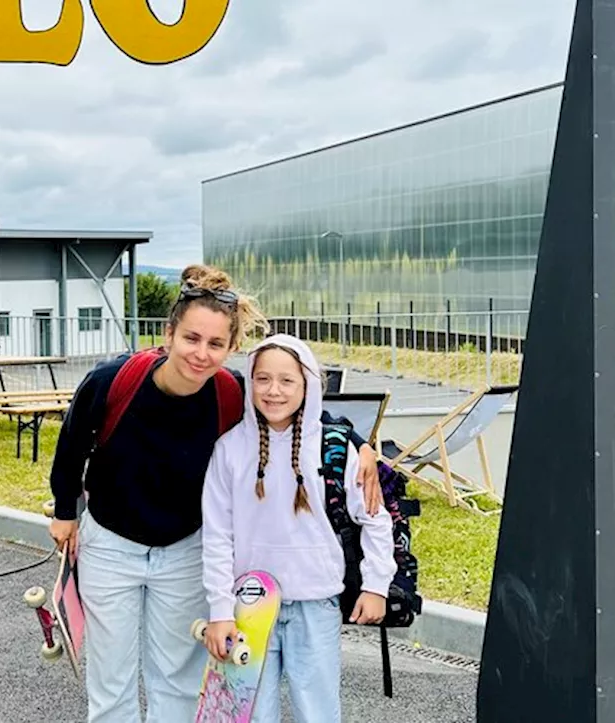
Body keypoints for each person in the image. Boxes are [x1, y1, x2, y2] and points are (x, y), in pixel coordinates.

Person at [47, 265, 382, 722]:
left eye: (215, 344)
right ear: (168, 334)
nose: (201, 354)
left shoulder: (231, 394)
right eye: (191, 338)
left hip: (186, 549)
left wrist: (359, 443)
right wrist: (64, 511)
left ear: (232, 348)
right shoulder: (113, 382)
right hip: (111, 544)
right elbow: (71, 445)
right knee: (111, 684)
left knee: (178, 683)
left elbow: (293, 411)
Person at [200, 334, 396, 723]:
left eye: (287, 381)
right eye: (263, 379)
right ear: (250, 382)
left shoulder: (335, 449)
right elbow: (217, 536)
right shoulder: (229, 449)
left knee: (317, 712)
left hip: (315, 603)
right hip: (248, 608)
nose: (274, 391)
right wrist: (220, 610)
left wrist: (376, 586)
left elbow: (374, 517)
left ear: (307, 385)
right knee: (253, 713)